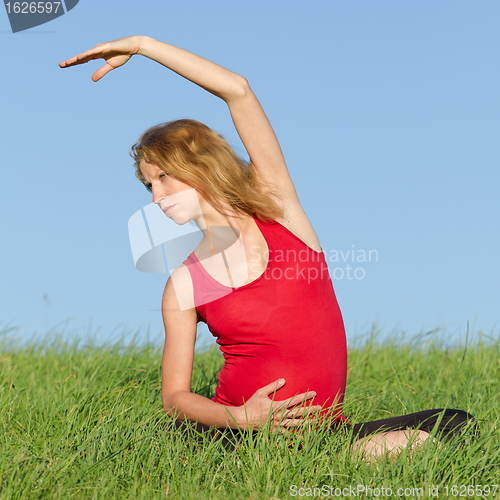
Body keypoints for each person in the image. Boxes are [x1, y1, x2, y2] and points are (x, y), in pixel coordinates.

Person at [59, 36, 475, 459]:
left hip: (326, 430)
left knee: (455, 424)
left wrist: (144, 45)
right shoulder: (183, 283)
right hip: (237, 434)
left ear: (197, 164)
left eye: (163, 177)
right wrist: (244, 418)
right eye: (148, 185)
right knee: (186, 440)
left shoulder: (278, 210)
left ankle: (324, 458)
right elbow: (175, 398)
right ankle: (302, 462)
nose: (155, 196)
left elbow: (237, 90)